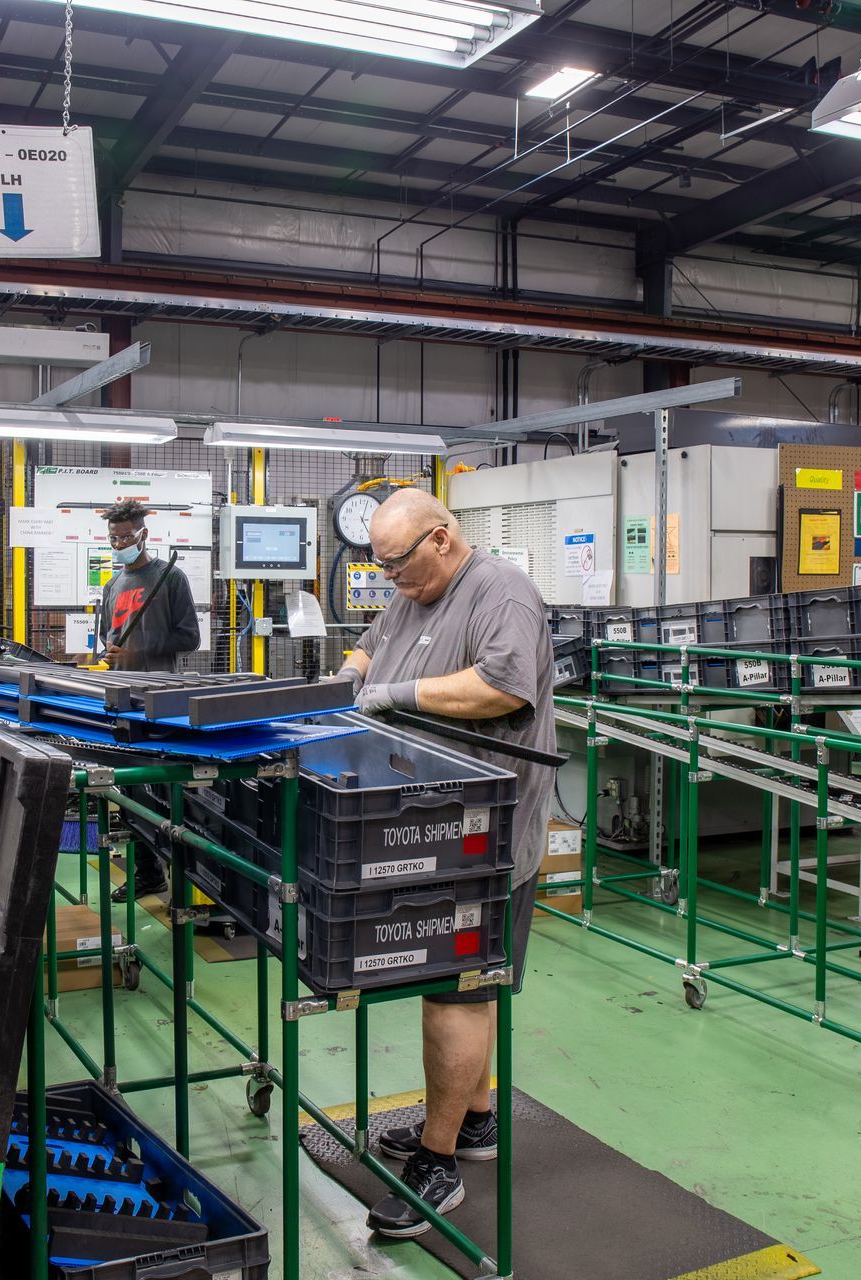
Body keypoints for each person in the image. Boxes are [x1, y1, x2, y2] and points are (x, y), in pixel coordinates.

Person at [338, 487, 554, 1239]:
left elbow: (501, 686)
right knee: (469, 980)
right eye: (380, 567)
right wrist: (344, 679)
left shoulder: (501, 593)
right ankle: (476, 1121)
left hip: (482, 836)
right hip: (429, 822)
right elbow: (373, 644)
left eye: (397, 564)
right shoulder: (412, 590)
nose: (389, 579)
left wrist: (395, 694)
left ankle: (438, 1162)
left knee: (455, 991)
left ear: (441, 537)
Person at [95, 497, 201, 900]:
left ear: (144, 535)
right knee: (131, 791)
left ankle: (185, 875)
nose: (119, 543)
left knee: (162, 790)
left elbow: (190, 637)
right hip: (122, 700)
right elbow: (108, 638)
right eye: (114, 537)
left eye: (126, 536)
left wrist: (140, 653)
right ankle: (147, 873)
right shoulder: (111, 586)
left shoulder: (170, 579)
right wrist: (100, 658)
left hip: (158, 701)